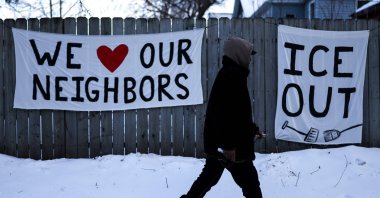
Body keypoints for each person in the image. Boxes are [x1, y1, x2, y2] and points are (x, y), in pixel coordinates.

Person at [180, 37, 264, 198]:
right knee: (250, 183)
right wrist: (229, 146)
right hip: (231, 146)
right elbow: (224, 115)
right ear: (238, 54)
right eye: (249, 54)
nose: (251, 59)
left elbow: (238, 114)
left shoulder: (232, 74)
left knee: (208, 178)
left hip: (225, 143)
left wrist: (252, 130)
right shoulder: (232, 76)